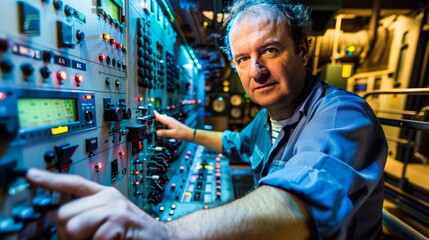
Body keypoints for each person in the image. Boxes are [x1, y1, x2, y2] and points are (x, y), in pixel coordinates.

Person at [25, 0, 388, 239]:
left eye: (270, 51)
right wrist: (187, 132)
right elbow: (235, 143)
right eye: (243, 59)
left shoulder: (341, 114)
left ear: (303, 51)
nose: (256, 70)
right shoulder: (269, 118)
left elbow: (298, 204)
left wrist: (165, 234)